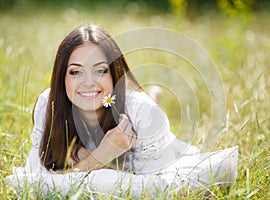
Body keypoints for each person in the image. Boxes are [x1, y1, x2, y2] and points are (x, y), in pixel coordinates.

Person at [6, 24, 238, 197]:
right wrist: (101, 157)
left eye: (99, 71)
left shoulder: (143, 115)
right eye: (75, 72)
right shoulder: (49, 104)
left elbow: (155, 190)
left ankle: (153, 95)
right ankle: (152, 93)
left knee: (148, 108)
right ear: (61, 78)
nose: (87, 83)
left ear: (114, 74)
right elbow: (33, 178)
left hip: (159, 146)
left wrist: (81, 165)